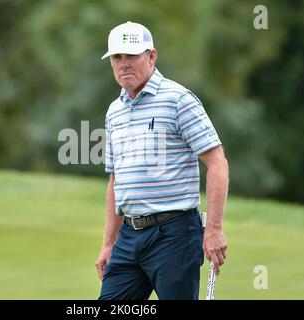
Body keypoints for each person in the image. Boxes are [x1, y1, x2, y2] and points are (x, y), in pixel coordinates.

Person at [95, 21, 229, 300]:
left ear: (151, 56)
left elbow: (217, 161)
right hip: (129, 237)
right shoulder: (114, 111)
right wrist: (109, 243)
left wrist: (214, 229)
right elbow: (116, 180)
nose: (123, 64)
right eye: (117, 57)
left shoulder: (178, 100)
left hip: (175, 235)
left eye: (131, 56)